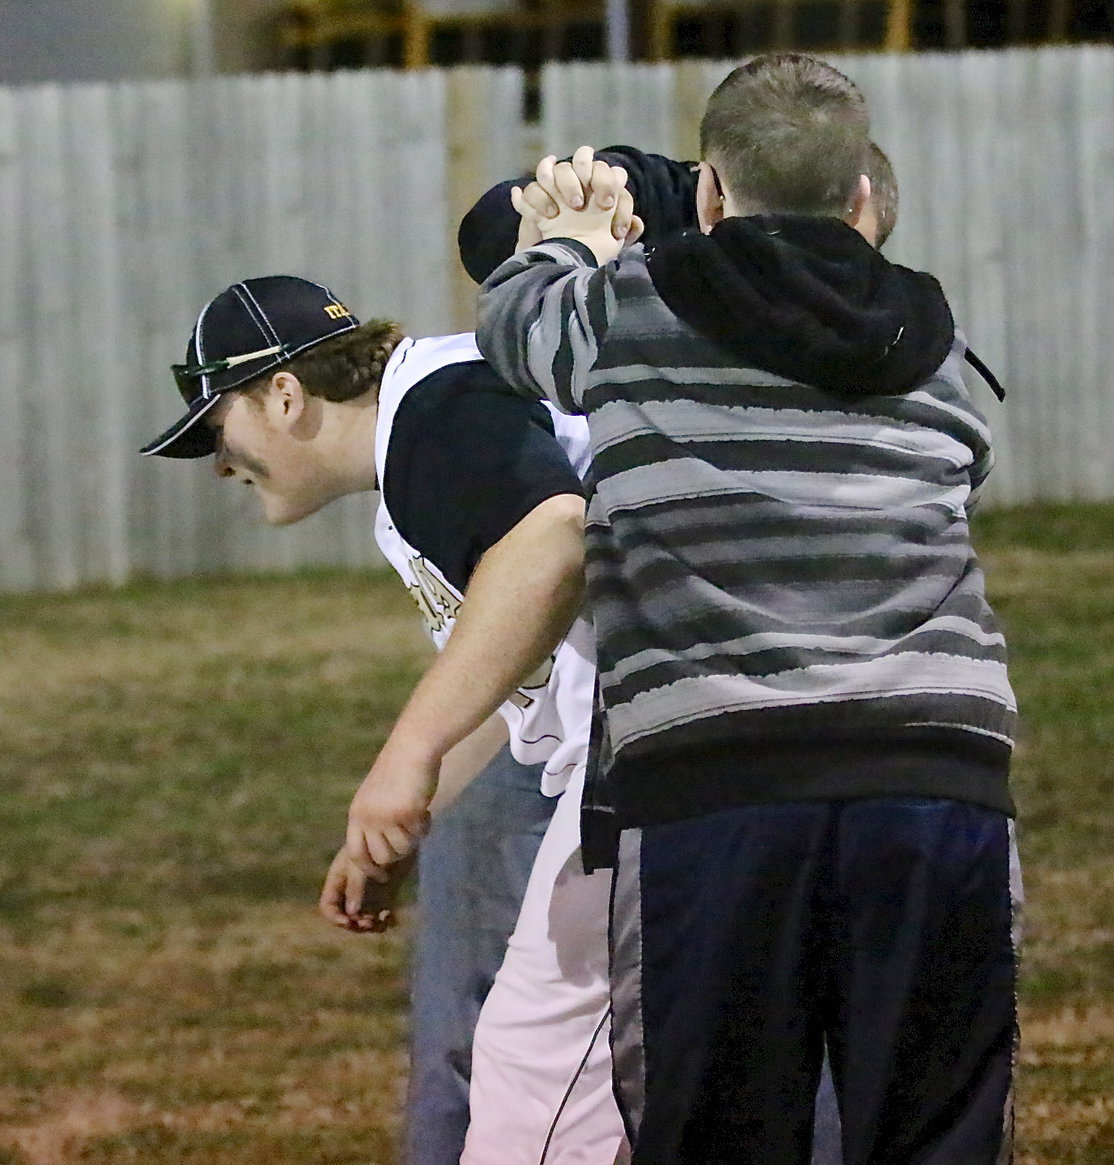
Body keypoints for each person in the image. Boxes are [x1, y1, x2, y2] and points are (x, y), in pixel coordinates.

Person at [473, 50, 1020, 1165]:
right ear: (864, 200)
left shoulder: (628, 309)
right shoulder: (941, 350)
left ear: (710, 197)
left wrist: (574, 239)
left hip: (716, 787)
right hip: (936, 775)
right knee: (935, 1136)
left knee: (718, 1127)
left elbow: (513, 327)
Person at [138, 274, 623, 1164]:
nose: (218, 461)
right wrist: (403, 813)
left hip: (659, 764)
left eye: (218, 426)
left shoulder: (435, 404)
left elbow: (553, 537)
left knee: (530, 1087)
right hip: (667, 752)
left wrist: (407, 752)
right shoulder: (421, 438)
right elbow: (519, 672)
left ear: (283, 394)